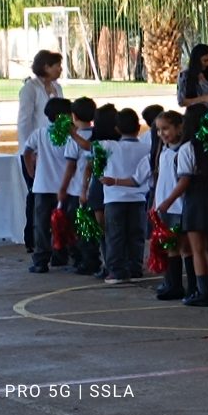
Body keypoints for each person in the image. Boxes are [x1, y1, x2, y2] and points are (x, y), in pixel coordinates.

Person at [158, 104, 208, 307]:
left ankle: (203, 292)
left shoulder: (188, 148)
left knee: (197, 249)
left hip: (195, 200)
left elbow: (185, 180)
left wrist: (167, 201)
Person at [75, 109, 151, 284]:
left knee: (114, 236)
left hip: (115, 199)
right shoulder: (146, 147)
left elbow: (86, 146)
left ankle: (116, 271)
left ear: (117, 129)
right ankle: (135, 268)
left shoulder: (108, 146)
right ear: (138, 127)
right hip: (138, 199)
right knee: (136, 235)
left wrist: (72, 133)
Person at [17, 49, 63, 252]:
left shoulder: (57, 87)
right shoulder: (30, 89)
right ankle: (33, 239)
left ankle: (55, 237)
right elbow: (24, 121)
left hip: (55, 148)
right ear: (46, 67)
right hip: (35, 149)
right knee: (36, 195)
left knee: (54, 194)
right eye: (56, 66)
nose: (60, 69)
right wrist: (29, 149)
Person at [23, 97, 72, 274]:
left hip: (43, 186)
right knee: (64, 223)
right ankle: (61, 255)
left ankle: (41, 260)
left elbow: (27, 151)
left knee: (42, 225)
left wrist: (31, 172)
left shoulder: (40, 133)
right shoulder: (70, 136)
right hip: (65, 186)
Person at [147, 110, 191, 301]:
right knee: (169, 246)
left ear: (179, 127)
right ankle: (173, 284)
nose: (161, 133)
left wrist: (168, 201)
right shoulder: (164, 151)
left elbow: (183, 181)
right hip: (164, 207)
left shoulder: (182, 151)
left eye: (165, 129)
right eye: (158, 130)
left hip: (177, 207)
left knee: (183, 247)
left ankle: (189, 286)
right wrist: (156, 203)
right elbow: (161, 180)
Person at [57, 96, 97, 271]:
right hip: (95, 189)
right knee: (92, 228)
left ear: (73, 116)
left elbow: (70, 166)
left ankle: (85, 261)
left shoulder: (75, 138)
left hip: (77, 190)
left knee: (80, 228)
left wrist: (63, 188)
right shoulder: (98, 134)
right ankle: (92, 259)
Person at [81, 104, 119, 279]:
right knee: (107, 230)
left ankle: (110, 264)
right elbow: (89, 166)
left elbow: (88, 158)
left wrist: (84, 190)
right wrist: (84, 189)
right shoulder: (102, 144)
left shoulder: (104, 144)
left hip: (103, 187)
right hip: (103, 187)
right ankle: (109, 263)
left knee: (106, 230)